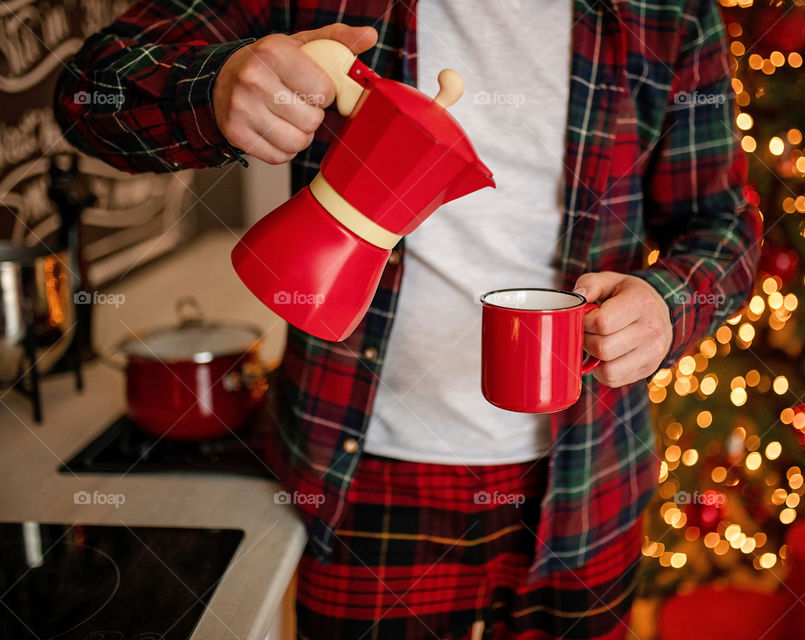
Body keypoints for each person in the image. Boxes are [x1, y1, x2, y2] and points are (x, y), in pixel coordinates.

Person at [55, 1, 760, 638]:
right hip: (364, 481)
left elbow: (723, 223)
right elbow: (89, 91)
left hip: (587, 481)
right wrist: (211, 88)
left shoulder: (665, 12)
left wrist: (669, 303)